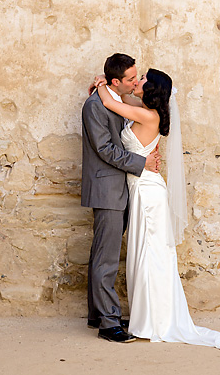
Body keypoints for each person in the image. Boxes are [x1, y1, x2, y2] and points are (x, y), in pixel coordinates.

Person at [94, 68, 220, 350]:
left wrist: (101, 85)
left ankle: (154, 320)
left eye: (143, 79)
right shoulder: (144, 108)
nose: (138, 82)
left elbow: (111, 103)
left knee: (151, 255)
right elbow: (120, 100)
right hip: (141, 189)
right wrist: (110, 88)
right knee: (144, 254)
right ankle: (146, 316)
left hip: (148, 194)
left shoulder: (148, 115)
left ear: (152, 90)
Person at [81, 53, 160, 343]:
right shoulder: (94, 106)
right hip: (106, 190)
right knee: (107, 258)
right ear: (116, 81)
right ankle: (108, 324)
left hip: (120, 189)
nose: (136, 82)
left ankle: (98, 314)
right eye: (131, 79)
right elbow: (105, 149)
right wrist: (142, 164)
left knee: (103, 253)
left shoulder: (115, 99)